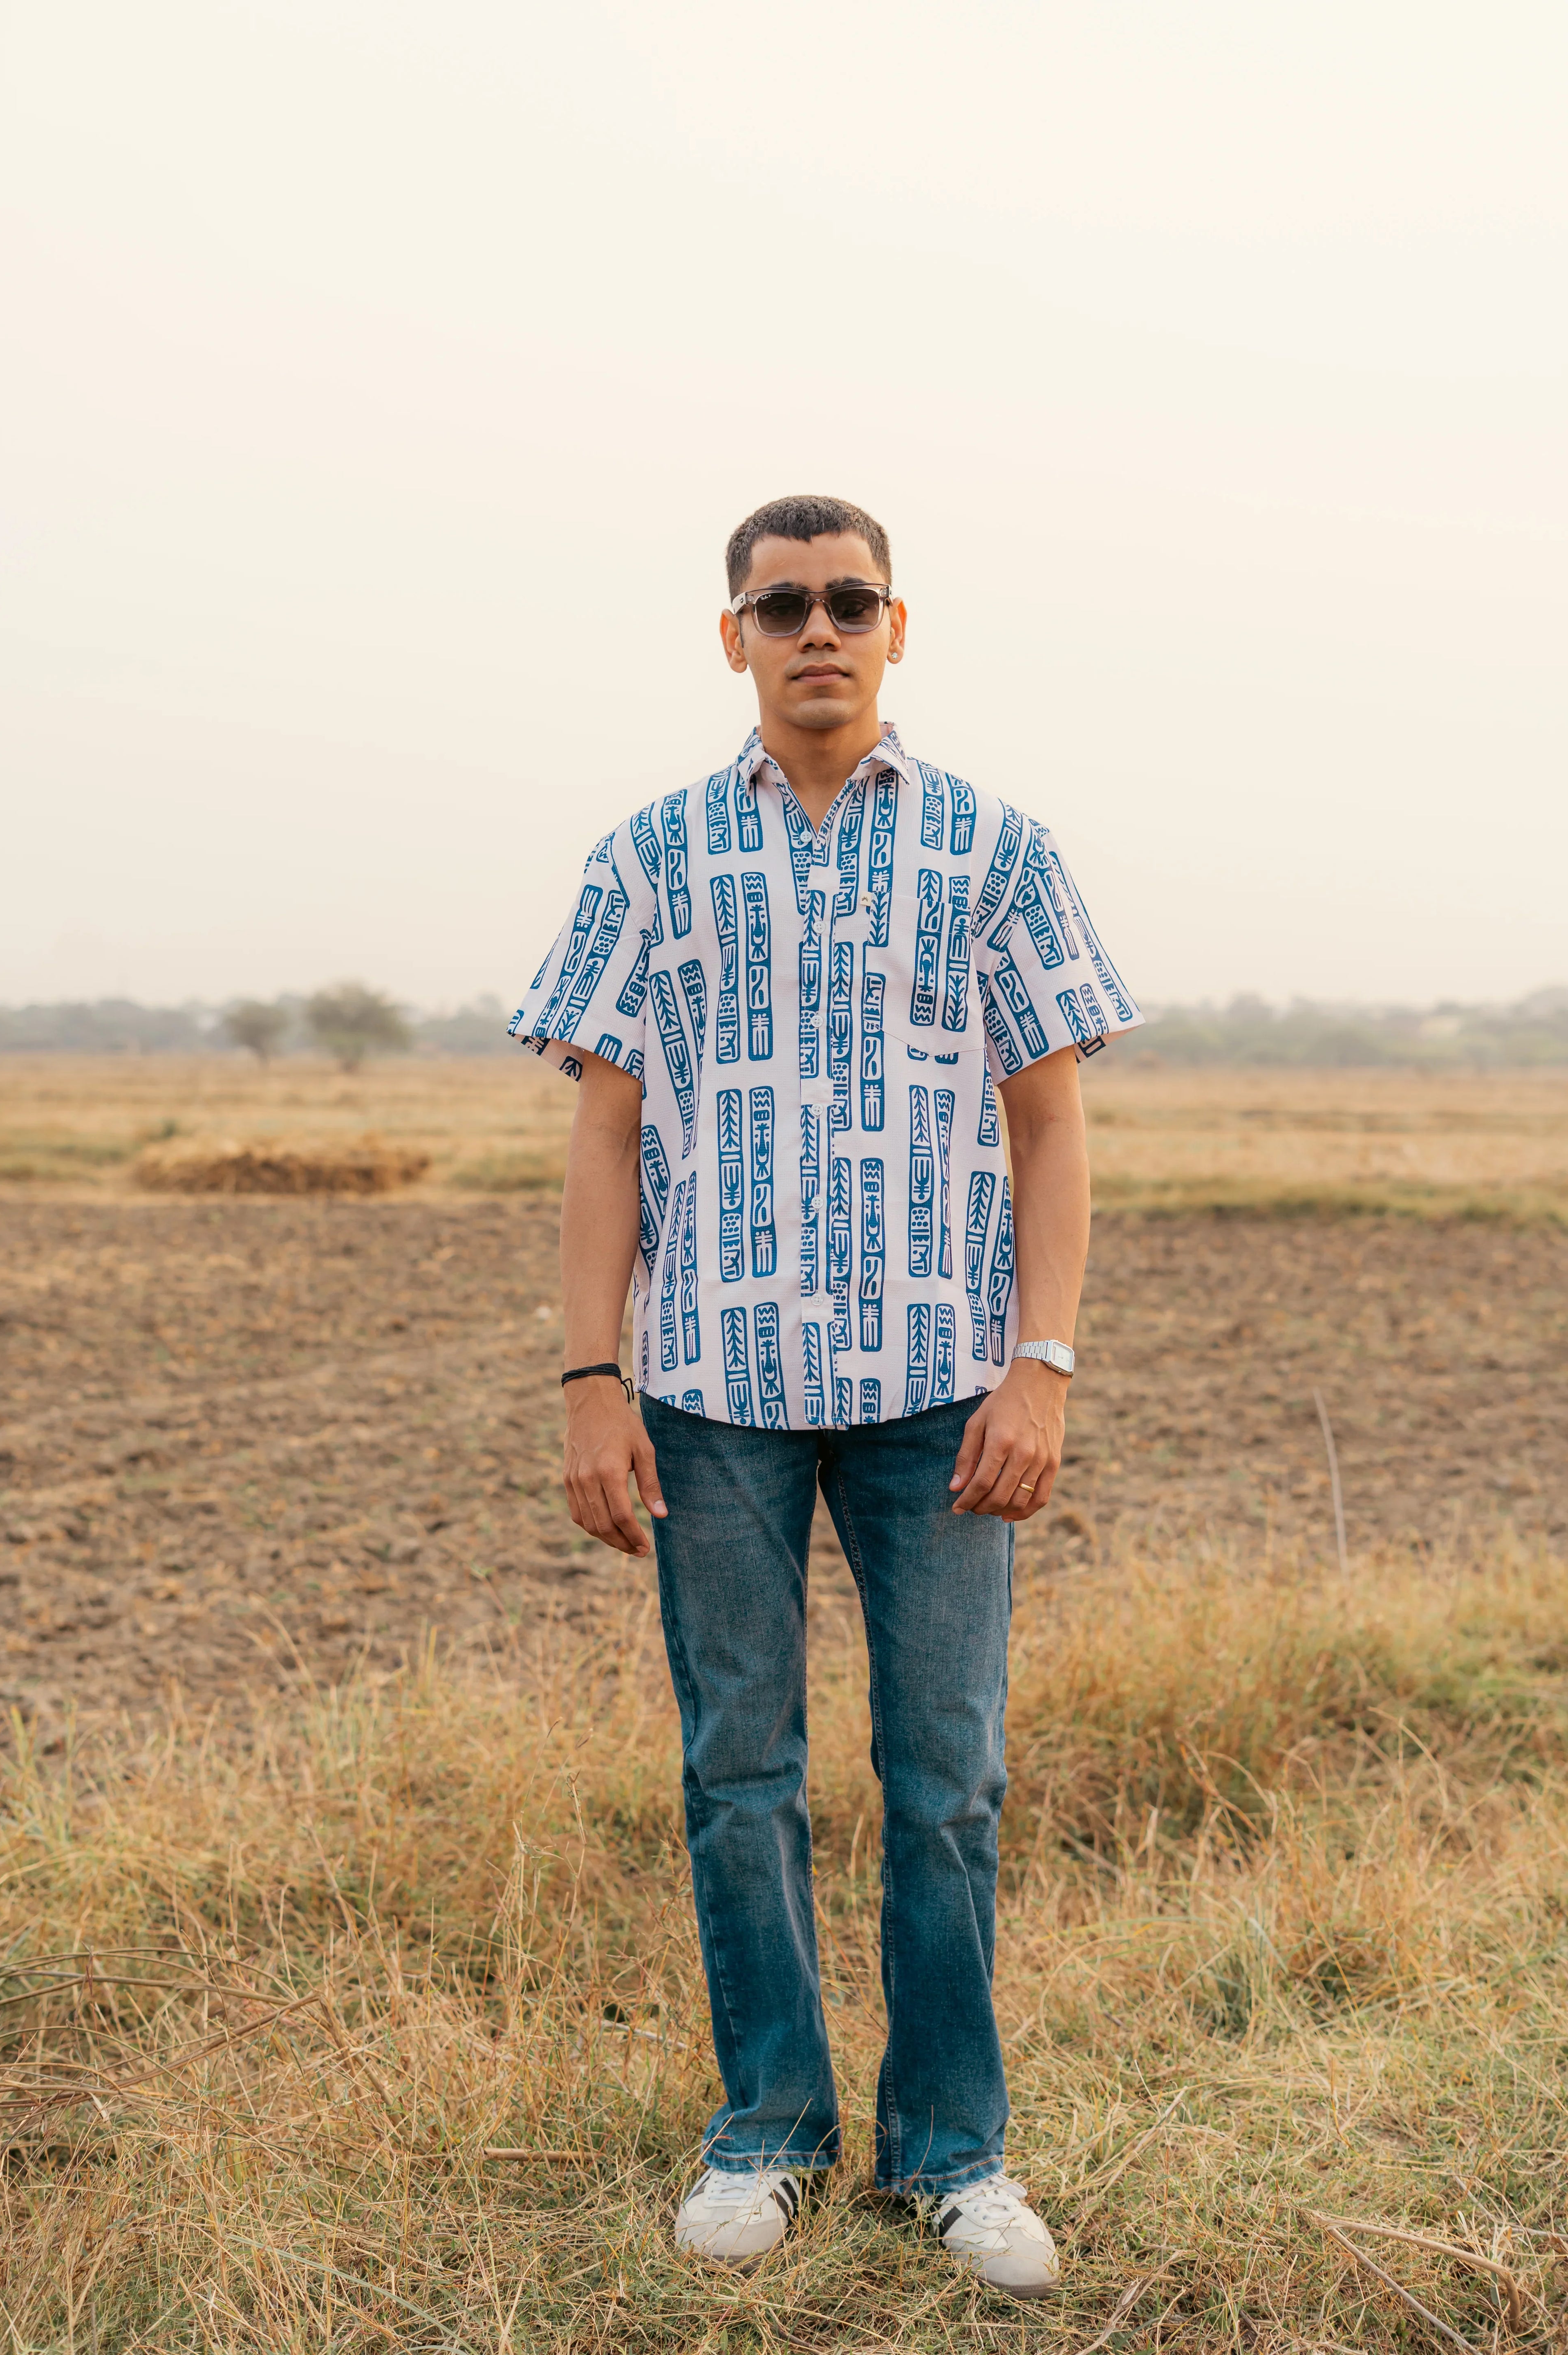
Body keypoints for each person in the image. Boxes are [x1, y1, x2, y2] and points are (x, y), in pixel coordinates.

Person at [510, 493, 1141, 2299]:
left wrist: (1044, 1361)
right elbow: (608, 1133)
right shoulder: (649, 859)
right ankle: (768, 2133)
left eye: (848, 600)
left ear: (897, 625)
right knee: (738, 1773)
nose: (817, 629)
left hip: (944, 1389)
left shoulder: (994, 851)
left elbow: (1051, 1121)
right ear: (733, 635)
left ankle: (955, 2152)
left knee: (947, 1780)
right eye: (781, 603)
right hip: (710, 1394)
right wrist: (587, 1378)